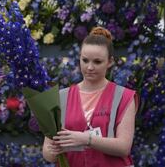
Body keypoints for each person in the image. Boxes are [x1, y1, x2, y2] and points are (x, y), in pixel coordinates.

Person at [42, 27, 138, 166]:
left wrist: (86, 139)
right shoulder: (60, 97)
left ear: (110, 62)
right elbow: (48, 152)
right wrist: (52, 151)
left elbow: (124, 147)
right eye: (85, 60)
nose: (90, 67)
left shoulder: (124, 96)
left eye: (97, 62)